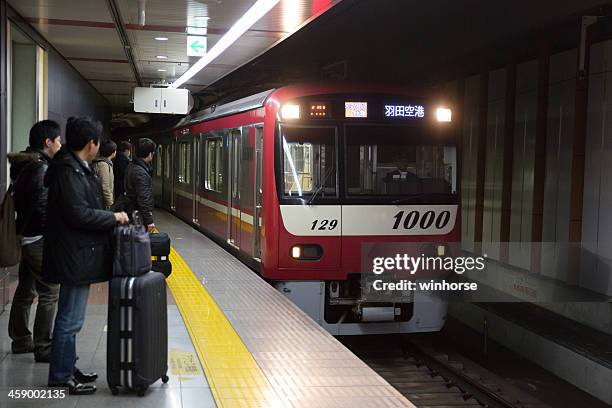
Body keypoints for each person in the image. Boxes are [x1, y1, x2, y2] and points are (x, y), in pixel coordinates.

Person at [43, 117, 129, 395]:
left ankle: (68, 367)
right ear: (91, 144)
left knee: (73, 318)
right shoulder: (69, 171)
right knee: (69, 319)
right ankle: (60, 375)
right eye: (97, 142)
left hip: (76, 253)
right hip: (73, 255)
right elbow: (78, 213)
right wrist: (112, 217)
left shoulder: (76, 167)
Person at [7, 120, 62, 362]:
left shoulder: (25, 165)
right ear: (47, 142)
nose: (60, 144)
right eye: (58, 140)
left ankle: (20, 340)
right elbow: (42, 209)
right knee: (50, 290)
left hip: (25, 235)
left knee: (25, 290)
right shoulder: (40, 169)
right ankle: (43, 346)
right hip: (38, 238)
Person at [125, 138, 156, 232]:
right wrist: (149, 221)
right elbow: (144, 198)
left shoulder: (131, 165)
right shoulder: (141, 173)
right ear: (150, 154)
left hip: (131, 211)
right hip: (138, 215)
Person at [92, 140, 117, 209]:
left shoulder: (106, 163)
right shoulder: (103, 165)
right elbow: (105, 186)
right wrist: (111, 204)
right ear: (113, 152)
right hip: (102, 203)